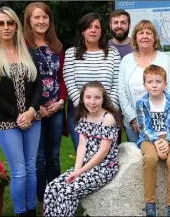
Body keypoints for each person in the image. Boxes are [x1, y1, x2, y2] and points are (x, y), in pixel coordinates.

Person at [0, 6, 41, 216]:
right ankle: (20, 212)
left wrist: (32, 110)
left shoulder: (29, 52)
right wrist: (18, 114)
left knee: (31, 170)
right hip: (6, 122)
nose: (6, 27)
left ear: (16, 26)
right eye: (1, 23)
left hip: (33, 120)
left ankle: (31, 210)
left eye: (10, 23)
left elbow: (38, 86)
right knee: (19, 172)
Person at [43, 81, 121, 216]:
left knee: (67, 192)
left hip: (103, 168)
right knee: (52, 188)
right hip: (84, 166)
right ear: (82, 98)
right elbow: (81, 146)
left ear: (103, 99)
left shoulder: (107, 119)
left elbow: (102, 153)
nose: (92, 102)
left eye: (97, 98)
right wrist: (76, 170)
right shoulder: (84, 116)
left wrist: (80, 172)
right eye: (88, 97)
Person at [23, 2, 67, 211]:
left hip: (56, 108)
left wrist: (60, 102)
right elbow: (23, 82)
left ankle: (56, 195)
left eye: (45, 17)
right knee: (38, 156)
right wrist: (35, 108)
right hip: (35, 109)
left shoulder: (56, 46)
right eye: (37, 17)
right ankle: (41, 199)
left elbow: (61, 78)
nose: (41, 21)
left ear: (50, 20)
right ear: (29, 21)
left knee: (54, 155)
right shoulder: (23, 45)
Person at [63, 12, 121, 151]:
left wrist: (106, 111)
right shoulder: (71, 53)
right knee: (83, 154)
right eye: (89, 27)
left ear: (102, 31)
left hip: (107, 113)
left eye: (97, 27)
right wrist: (86, 109)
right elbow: (70, 82)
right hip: (79, 113)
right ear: (83, 31)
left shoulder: (112, 53)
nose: (93, 30)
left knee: (106, 156)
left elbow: (117, 83)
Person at [136, 65, 170, 217]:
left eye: (158, 81)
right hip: (149, 138)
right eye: (150, 82)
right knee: (150, 159)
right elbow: (143, 127)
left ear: (165, 83)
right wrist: (156, 141)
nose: (154, 85)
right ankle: (150, 204)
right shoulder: (141, 103)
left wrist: (167, 140)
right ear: (144, 85)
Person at [119, 20, 170, 143]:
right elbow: (121, 92)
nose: (144, 36)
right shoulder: (126, 61)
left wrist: (159, 119)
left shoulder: (166, 60)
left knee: (159, 158)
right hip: (134, 124)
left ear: (154, 38)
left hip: (161, 122)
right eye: (141, 33)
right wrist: (134, 118)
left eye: (148, 33)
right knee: (137, 159)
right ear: (135, 38)